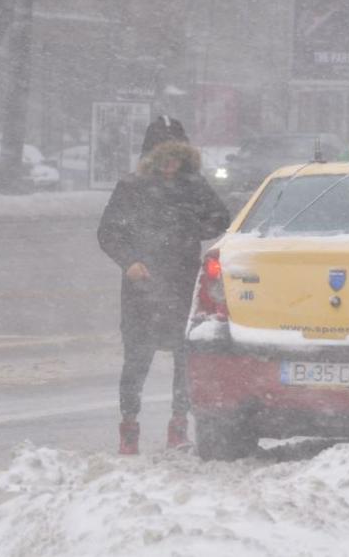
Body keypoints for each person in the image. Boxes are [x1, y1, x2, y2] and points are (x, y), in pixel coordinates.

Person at [98, 116, 230, 454]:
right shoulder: (131, 187)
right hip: (142, 289)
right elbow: (108, 232)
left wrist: (193, 229)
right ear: (151, 156)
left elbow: (220, 218)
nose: (171, 162)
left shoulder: (195, 186)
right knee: (136, 361)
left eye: (177, 154)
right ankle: (129, 429)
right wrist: (130, 262)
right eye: (163, 155)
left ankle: (178, 425)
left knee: (184, 359)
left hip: (182, 285)